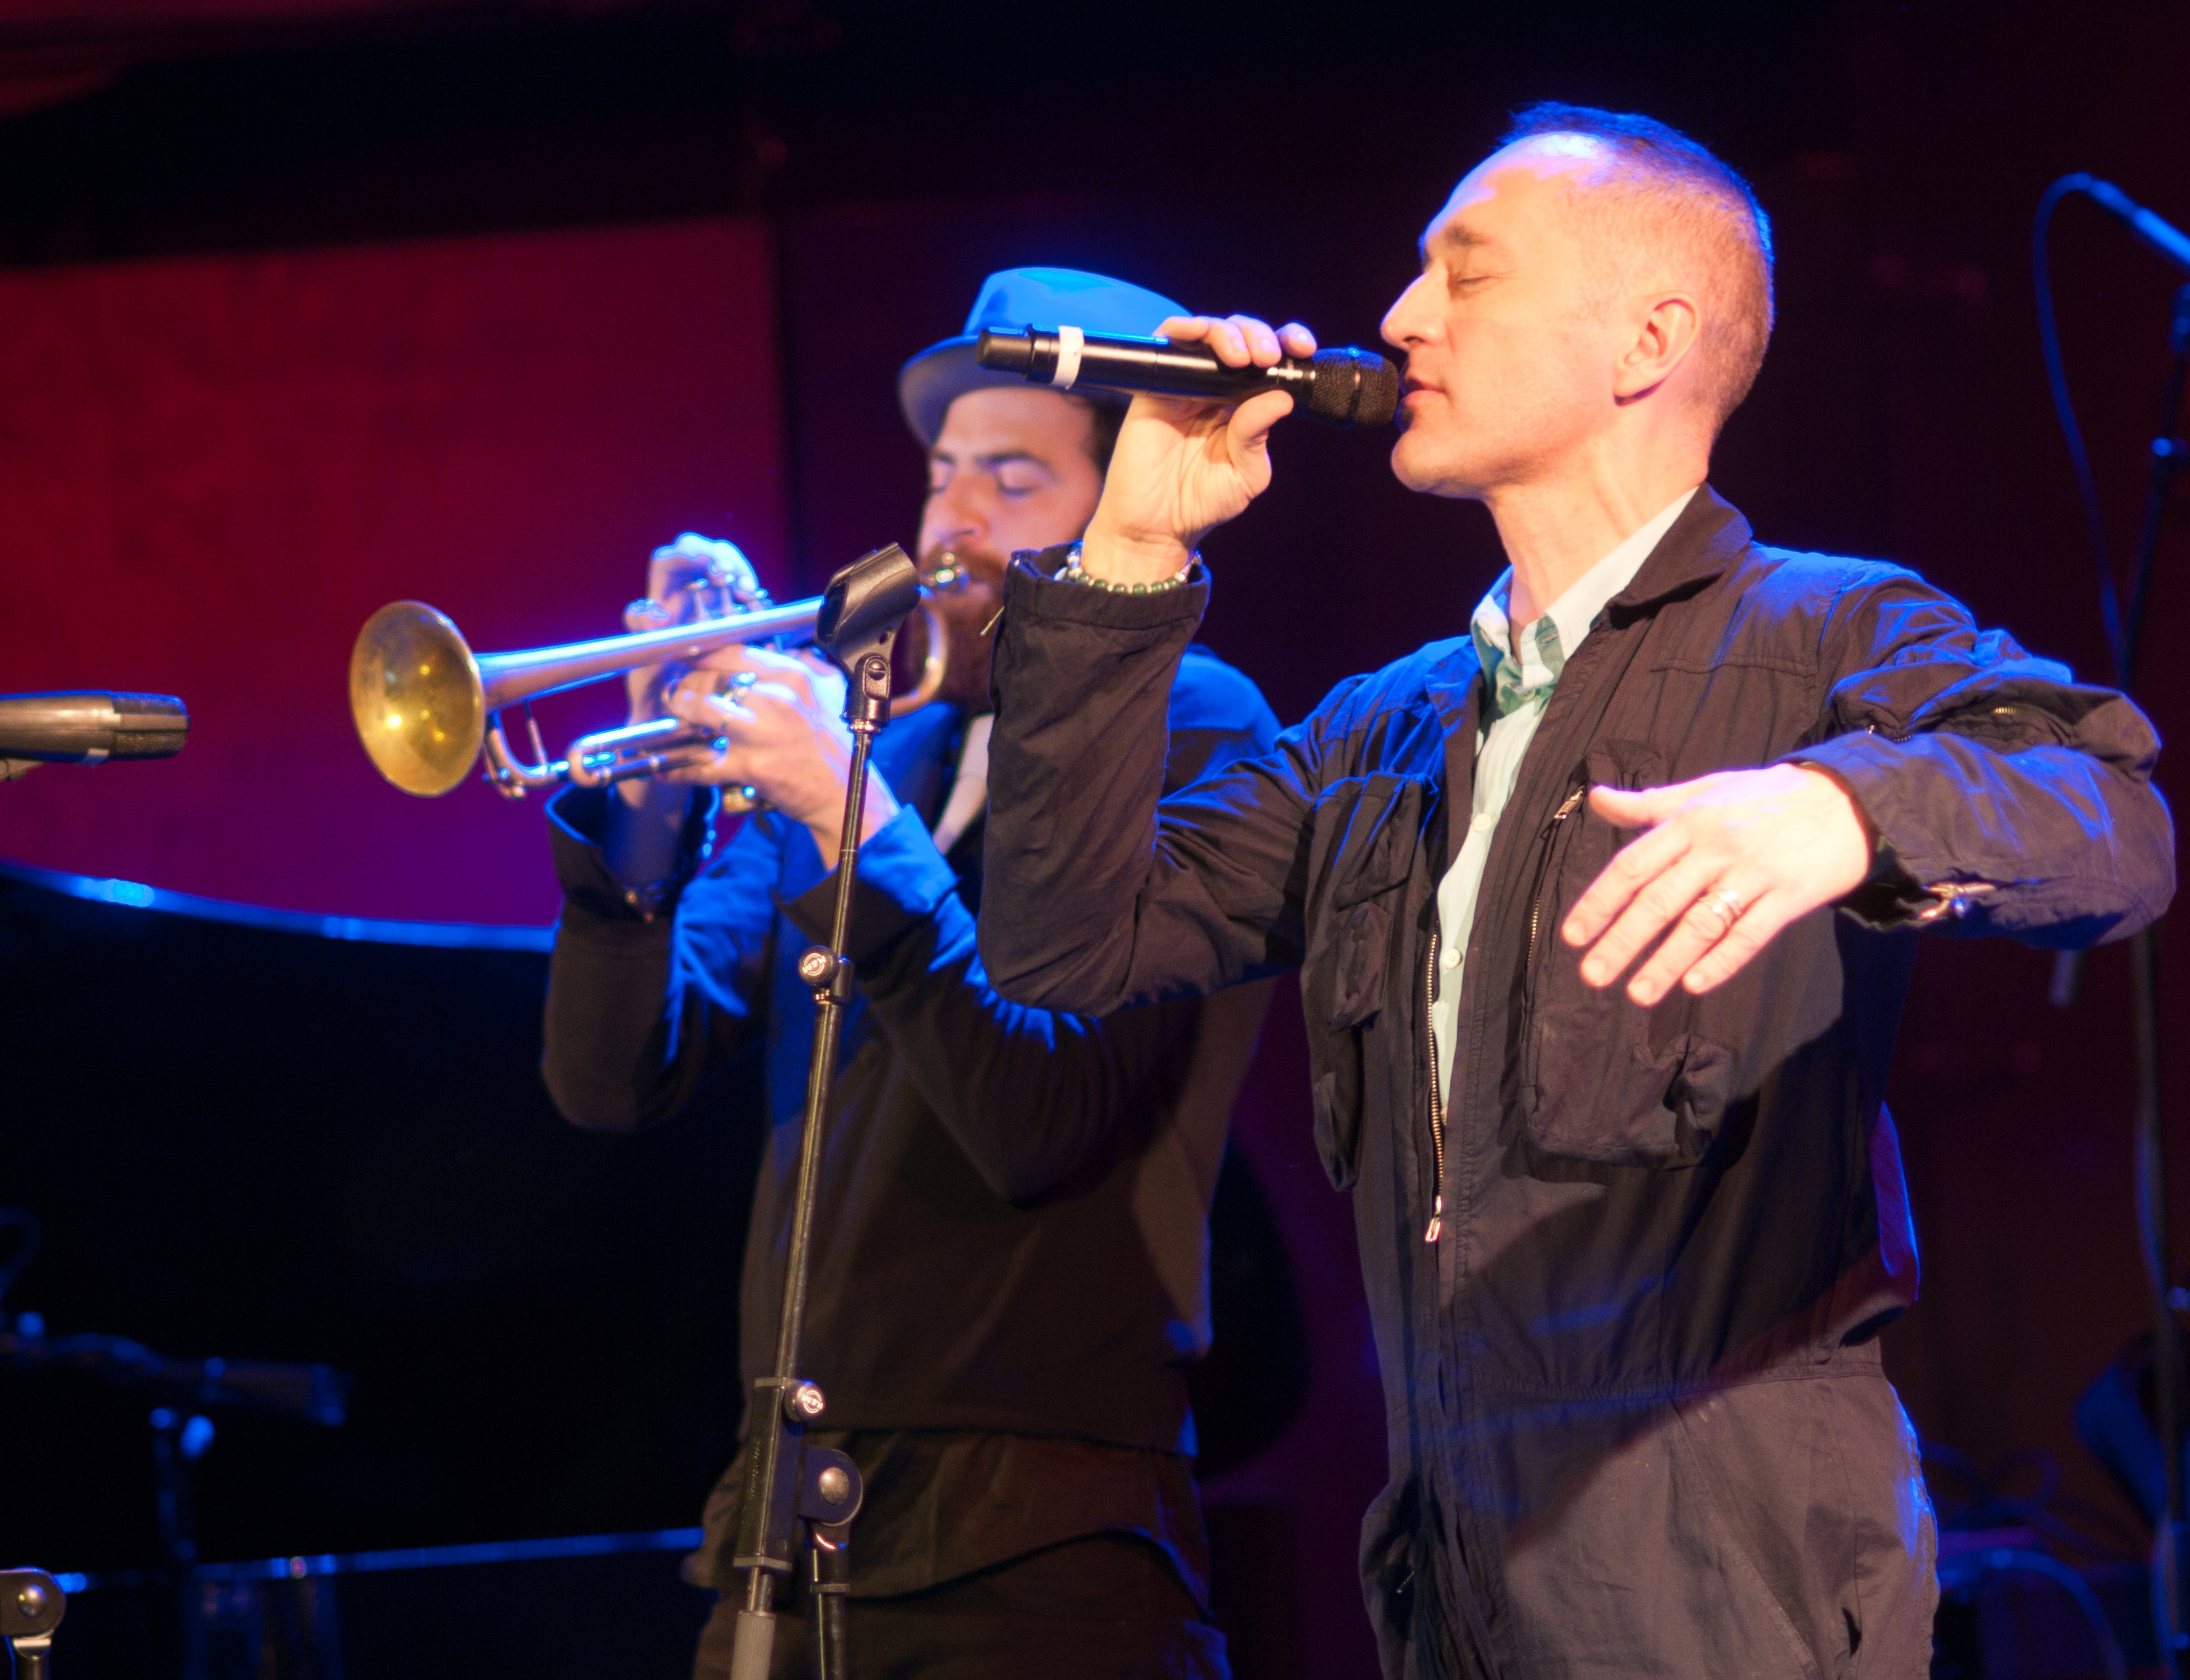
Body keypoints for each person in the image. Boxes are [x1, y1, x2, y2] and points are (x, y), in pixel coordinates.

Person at [973, 106, 2176, 1678]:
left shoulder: (1825, 632)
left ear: (1646, 338)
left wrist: (1840, 806)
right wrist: (1127, 548)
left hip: (1721, 1567)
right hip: (1447, 1562)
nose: (1401, 318)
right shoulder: (1385, 727)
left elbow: (2114, 819)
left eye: (1462, 276)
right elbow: (1066, 944)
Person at [538, 267, 1286, 1679]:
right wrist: (653, 799)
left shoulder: (1200, 727)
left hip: (1039, 1549)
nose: (952, 519)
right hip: (788, 1520)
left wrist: (849, 817)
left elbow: (1033, 1115)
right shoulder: (891, 744)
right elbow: (609, 1078)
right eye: (944, 474)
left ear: (1128, 498)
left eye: (1013, 477)